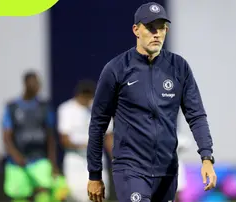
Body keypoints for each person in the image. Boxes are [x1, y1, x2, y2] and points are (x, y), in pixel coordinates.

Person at [87, 2, 217, 202]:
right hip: (131, 169)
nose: (157, 33)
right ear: (136, 30)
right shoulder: (116, 69)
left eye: (162, 27)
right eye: (150, 27)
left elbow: (197, 115)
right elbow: (98, 123)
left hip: (167, 171)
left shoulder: (179, 67)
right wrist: (95, 174)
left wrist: (207, 158)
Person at [2, 71, 60, 202]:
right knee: (19, 195)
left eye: (38, 83)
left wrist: (53, 162)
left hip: (40, 158)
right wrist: (14, 154)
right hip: (17, 162)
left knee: (44, 190)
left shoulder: (44, 107)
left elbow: (50, 137)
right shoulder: (12, 107)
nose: (37, 86)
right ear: (25, 84)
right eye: (34, 83)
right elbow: (6, 136)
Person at [57, 80, 113, 201]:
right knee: (75, 197)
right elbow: (64, 140)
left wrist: (116, 158)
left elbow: (108, 137)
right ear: (78, 94)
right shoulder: (66, 109)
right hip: (75, 162)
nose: (87, 101)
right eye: (84, 97)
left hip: (97, 161)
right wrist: (85, 146)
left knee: (99, 195)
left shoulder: (101, 108)